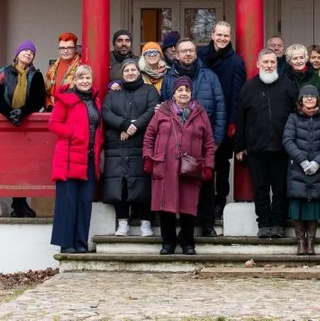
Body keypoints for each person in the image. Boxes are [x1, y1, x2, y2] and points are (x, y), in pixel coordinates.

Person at [142, 77, 216, 255]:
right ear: (173, 93)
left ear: (191, 93)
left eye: (187, 90)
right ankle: (168, 242)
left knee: (188, 207)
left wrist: (208, 166)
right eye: (180, 90)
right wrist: (148, 158)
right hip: (165, 166)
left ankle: (188, 243)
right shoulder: (162, 112)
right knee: (165, 206)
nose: (184, 93)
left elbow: (209, 143)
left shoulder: (200, 113)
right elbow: (149, 136)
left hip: (190, 168)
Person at [162, 38, 226, 236]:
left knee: (206, 183)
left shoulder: (210, 77)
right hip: (175, 142)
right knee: (178, 186)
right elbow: (163, 109)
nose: (188, 54)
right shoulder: (169, 78)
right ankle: (180, 227)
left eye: (191, 50)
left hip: (202, 141)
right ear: (177, 54)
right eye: (184, 51)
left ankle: (207, 224)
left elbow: (221, 108)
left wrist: (216, 140)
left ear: (196, 53)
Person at [235, 49, 299, 238]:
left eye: (272, 62)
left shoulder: (288, 86)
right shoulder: (248, 88)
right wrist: (239, 146)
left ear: (277, 64)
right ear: (258, 64)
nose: (269, 65)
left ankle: (278, 224)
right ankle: (264, 223)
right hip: (256, 148)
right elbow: (241, 119)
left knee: (280, 189)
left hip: (282, 148)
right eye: (266, 62)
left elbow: (297, 116)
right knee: (260, 189)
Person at [102, 58, 160, 237]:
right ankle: (122, 223)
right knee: (121, 184)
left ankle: (145, 223)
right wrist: (124, 124)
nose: (130, 73)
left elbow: (153, 110)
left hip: (142, 144)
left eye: (133, 70)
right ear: (122, 74)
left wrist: (134, 127)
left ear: (139, 72)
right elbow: (105, 112)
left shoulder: (149, 90)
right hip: (118, 147)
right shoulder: (113, 94)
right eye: (126, 70)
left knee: (143, 183)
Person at [49, 64, 102, 254]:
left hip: (88, 157)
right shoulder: (66, 100)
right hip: (69, 157)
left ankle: (81, 242)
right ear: (74, 80)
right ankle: (66, 243)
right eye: (81, 78)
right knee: (68, 202)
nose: (85, 81)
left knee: (84, 202)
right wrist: (73, 133)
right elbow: (53, 124)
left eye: (88, 78)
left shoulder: (95, 101)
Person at [199, 21, 247, 217]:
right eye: (219, 35)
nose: (222, 39)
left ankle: (220, 201)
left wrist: (233, 123)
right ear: (212, 35)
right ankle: (202, 202)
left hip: (223, 121)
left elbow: (237, 96)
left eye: (226, 36)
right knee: (198, 162)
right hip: (199, 119)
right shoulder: (200, 55)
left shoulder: (236, 62)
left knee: (221, 163)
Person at [0, 40, 47, 218]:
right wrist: (8, 113)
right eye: (25, 50)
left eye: (31, 52)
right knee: (8, 165)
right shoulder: (2, 73)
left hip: (25, 126)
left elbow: (37, 100)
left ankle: (20, 202)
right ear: (17, 54)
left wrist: (21, 113)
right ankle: (15, 203)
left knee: (25, 166)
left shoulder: (36, 76)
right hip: (6, 124)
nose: (28, 54)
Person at [283, 84, 320, 255]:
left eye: (313, 96)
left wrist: (317, 163)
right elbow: (288, 140)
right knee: (297, 205)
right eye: (306, 96)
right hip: (298, 168)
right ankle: (300, 241)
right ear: (301, 100)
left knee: (313, 206)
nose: (310, 98)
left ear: (317, 99)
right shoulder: (293, 118)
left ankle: (311, 242)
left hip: (317, 170)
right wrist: (303, 161)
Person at [44, 32, 81, 110]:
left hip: (72, 111)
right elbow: (45, 93)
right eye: (62, 48)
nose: (65, 51)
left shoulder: (81, 67)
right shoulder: (52, 69)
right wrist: (49, 105)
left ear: (75, 49)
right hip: (53, 111)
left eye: (69, 48)